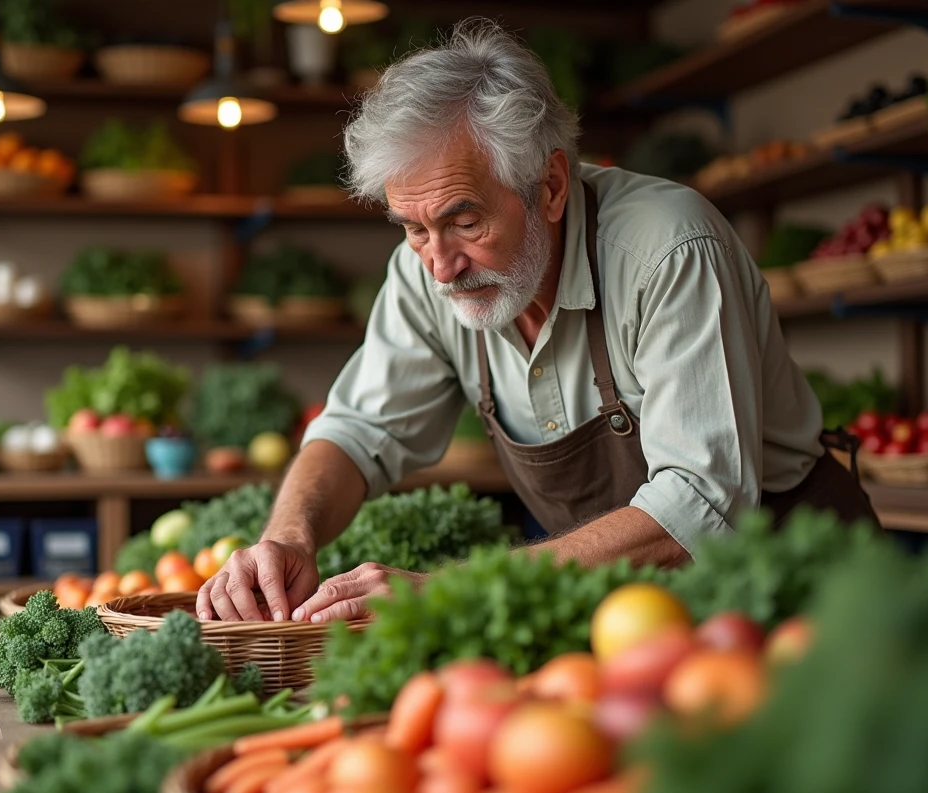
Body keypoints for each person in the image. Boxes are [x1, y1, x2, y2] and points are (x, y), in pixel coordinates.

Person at [196, 20, 878, 624]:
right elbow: (358, 430)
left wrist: (452, 591)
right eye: (413, 229)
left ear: (549, 186)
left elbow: (699, 506)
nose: (439, 266)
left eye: (465, 222)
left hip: (806, 592)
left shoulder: (669, 248)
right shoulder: (423, 274)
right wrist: (287, 536)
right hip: (642, 613)